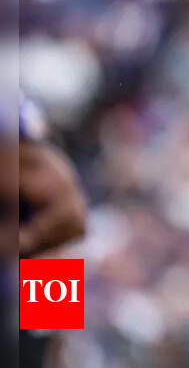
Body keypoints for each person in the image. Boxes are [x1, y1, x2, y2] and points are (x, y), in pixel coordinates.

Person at [15, 92, 89, 368]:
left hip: (43, 262)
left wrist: (21, 241)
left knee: (46, 357)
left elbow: (73, 217)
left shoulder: (12, 115)